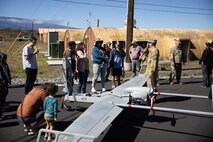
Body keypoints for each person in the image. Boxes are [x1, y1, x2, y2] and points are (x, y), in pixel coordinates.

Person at [145, 39, 159, 107]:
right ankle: (152, 97)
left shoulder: (154, 50)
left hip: (151, 71)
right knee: (150, 85)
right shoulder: (150, 50)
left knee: (151, 85)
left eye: (148, 42)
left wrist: (152, 71)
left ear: (152, 43)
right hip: (148, 70)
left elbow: (154, 62)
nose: (147, 44)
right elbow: (144, 57)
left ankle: (152, 98)